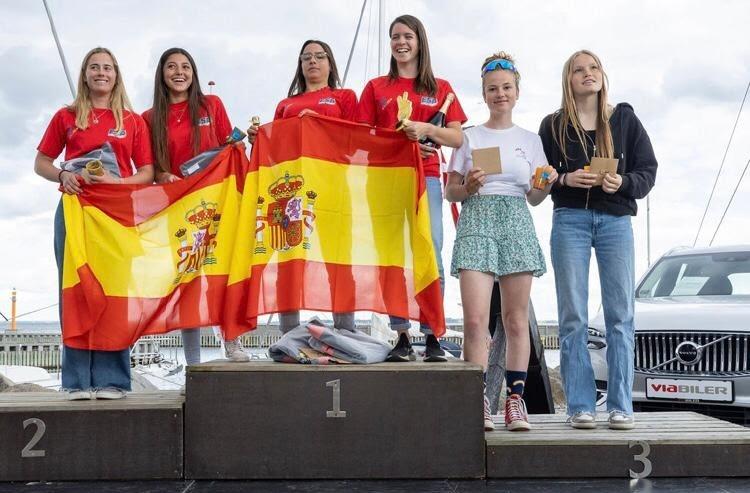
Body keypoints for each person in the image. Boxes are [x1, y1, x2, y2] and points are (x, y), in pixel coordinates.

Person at [538, 50, 657, 430]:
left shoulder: (625, 119)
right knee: (572, 315)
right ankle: (580, 405)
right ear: (568, 79)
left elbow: (647, 172)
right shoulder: (552, 125)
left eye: (593, 68)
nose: (587, 74)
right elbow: (541, 176)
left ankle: (621, 405)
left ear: (603, 75)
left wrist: (622, 182)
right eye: (578, 69)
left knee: (620, 315)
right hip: (569, 219)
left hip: (616, 221)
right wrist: (565, 178)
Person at [34, 47, 155, 400]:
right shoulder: (66, 116)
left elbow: (146, 173)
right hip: (75, 210)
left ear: (116, 75)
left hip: (116, 214)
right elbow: (41, 163)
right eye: (94, 67)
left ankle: (113, 379)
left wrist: (118, 183)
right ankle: (75, 381)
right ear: (85, 74)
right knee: (74, 291)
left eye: (107, 67)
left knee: (115, 293)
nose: (101, 72)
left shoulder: (132, 121)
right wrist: (62, 174)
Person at [446, 52, 556, 431]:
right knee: (475, 320)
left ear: (517, 91)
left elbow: (534, 196)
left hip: (515, 220)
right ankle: (477, 401)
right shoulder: (469, 136)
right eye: (493, 89)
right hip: (477, 219)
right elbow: (451, 192)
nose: (500, 94)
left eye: (506, 87)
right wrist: (469, 185)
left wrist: (546, 183)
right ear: (484, 93)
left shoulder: (531, 140)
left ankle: (515, 401)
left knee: (515, 319)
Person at [356, 14, 466, 363]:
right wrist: (398, 144)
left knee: (430, 251)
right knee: (392, 256)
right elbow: (360, 138)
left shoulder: (441, 88)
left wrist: (425, 129)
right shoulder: (376, 88)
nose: (400, 42)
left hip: (428, 179)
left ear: (420, 41)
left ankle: (433, 333)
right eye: (394, 37)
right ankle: (401, 334)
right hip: (386, 181)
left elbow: (457, 136)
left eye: (407, 36)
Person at [142, 47, 249, 364]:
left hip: (217, 203)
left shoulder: (211, 104)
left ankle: (231, 339)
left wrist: (236, 146)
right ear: (161, 74)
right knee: (187, 280)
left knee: (223, 272)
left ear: (194, 72)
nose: (179, 72)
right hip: (179, 208)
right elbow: (151, 165)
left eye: (185, 66)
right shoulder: (149, 117)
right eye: (171, 66)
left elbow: (232, 147)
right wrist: (162, 173)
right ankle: (192, 362)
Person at [248, 39, 357, 333]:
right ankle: (288, 331)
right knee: (289, 258)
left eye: (319, 56)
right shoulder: (286, 104)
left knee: (339, 258)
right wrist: (257, 138)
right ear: (300, 64)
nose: (313, 61)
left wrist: (319, 123)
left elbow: (355, 140)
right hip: (291, 193)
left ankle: (345, 329)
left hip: (334, 186)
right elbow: (274, 150)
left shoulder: (344, 97)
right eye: (306, 57)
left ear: (330, 63)